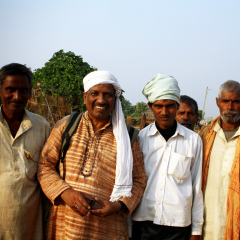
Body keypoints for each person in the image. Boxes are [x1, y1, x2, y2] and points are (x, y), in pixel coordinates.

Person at [37, 70, 147, 239]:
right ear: (84, 97)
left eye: (108, 95)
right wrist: (66, 193)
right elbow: (45, 165)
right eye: (94, 93)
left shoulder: (128, 137)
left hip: (107, 228)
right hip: (66, 225)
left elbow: (139, 180)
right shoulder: (66, 125)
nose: (101, 100)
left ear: (115, 99)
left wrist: (117, 206)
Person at [132, 74, 203, 240]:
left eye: (170, 106)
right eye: (158, 106)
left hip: (179, 224)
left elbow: (196, 186)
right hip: (144, 221)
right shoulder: (140, 139)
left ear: (177, 105)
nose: (164, 112)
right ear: (151, 106)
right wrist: (129, 228)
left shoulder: (193, 140)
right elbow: (132, 183)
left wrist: (196, 230)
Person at [0, 63, 50, 239]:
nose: (17, 96)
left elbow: (48, 172)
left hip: (29, 224)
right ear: (0, 91)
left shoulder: (41, 126)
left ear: (30, 92)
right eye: (10, 90)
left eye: (23, 90)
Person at [199, 80, 240, 240]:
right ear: (217, 102)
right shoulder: (204, 136)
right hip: (205, 226)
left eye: (236, 102)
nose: (230, 108)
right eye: (225, 101)